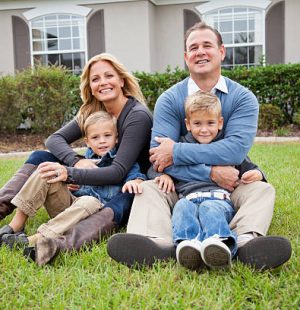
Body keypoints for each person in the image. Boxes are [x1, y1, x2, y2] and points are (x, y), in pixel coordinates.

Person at [107, 22, 292, 271]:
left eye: (207, 45)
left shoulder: (242, 98)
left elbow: (234, 151)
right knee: (149, 188)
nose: (200, 52)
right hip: (180, 185)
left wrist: (176, 151)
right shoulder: (171, 99)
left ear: (222, 52)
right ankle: (157, 244)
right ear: (186, 57)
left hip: (228, 185)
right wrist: (209, 172)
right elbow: (158, 159)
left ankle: (244, 242)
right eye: (193, 47)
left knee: (261, 190)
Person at [0, 53, 152, 264]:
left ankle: (47, 242)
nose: (103, 82)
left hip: (127, 187)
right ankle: (10, 222)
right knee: (42, 159)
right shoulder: (93, 112)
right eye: (95, 79)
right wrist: (75, 163)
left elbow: (119, 171)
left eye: (109, 75)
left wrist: (71, 174)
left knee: (115, 197)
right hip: (90, 187)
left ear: (121, 80)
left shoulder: (136, 116)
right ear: (89, 86)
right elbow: (54, 139)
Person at [0, 111, 146, 249]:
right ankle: (16, 225)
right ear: (87, 142)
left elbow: (135, 174)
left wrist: (136, 181)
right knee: (47, 170)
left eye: (107, 135)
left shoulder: (121, 160)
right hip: (70, 209)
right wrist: (67, 184)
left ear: (117, 138)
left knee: (89, 201)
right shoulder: (84, 160)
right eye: (95, 137)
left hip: (91, 216)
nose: (102, 141)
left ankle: (35, 239)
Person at [167, 91, 265, 270]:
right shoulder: (180, 146)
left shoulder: (225, 148)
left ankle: (219, 243)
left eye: (210, 123)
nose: (204, 129)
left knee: (209, 208)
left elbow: (249, 166)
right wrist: (163, 175)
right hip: (188, 198)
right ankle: (188, 245)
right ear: (188, 124)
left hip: (218, 200)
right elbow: (159, 165)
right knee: (181, 208)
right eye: (197, 123)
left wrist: (257, 174)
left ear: (220, 123)